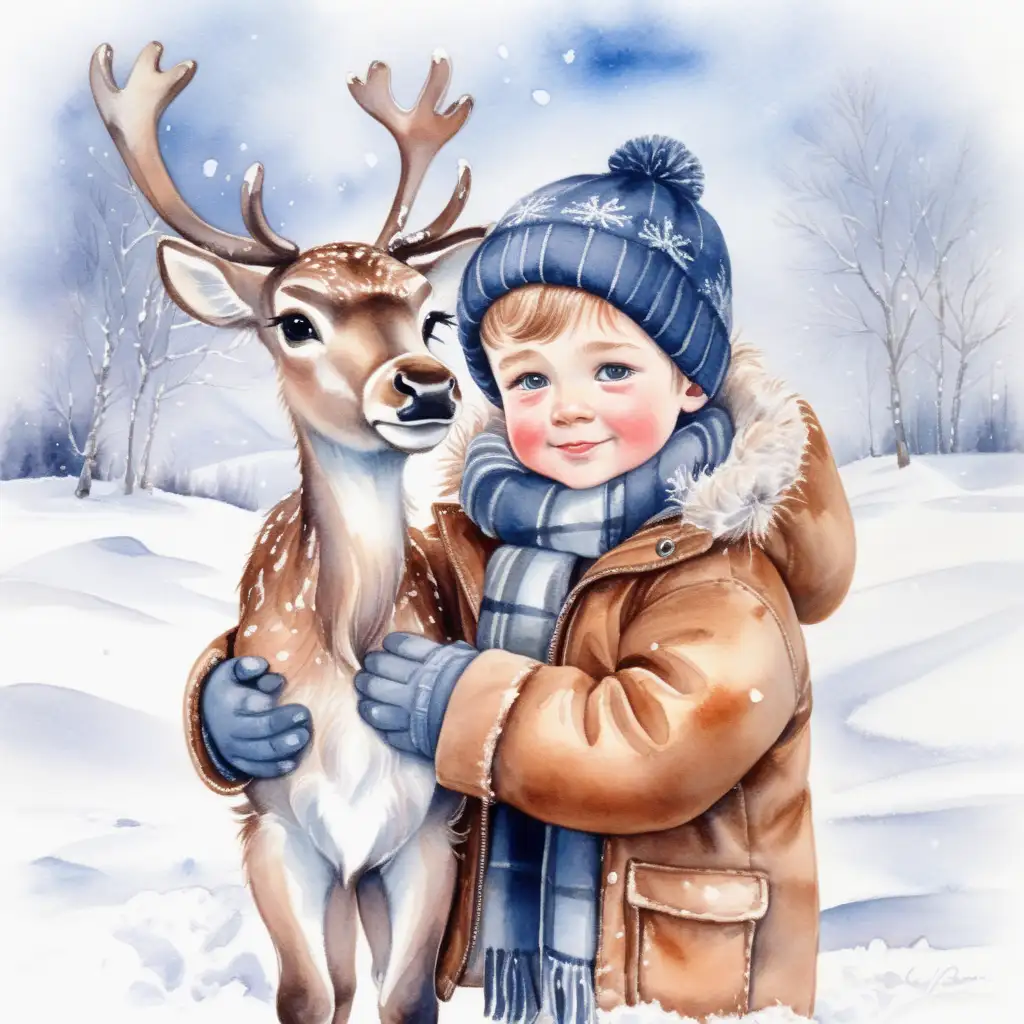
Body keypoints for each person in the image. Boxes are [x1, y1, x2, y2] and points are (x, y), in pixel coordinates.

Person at [186, 136, 856, 1023]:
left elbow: (654, 755)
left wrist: (462, 704)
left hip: (684, 980)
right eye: (530, 380)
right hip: (537, 976)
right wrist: (222, 707)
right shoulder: (485, 540)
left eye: (611, 370)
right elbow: (356, 640)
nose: (568, 408)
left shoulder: (722, 577)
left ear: (691, 382)